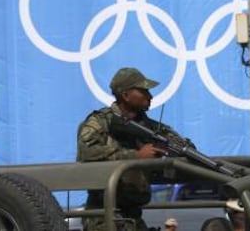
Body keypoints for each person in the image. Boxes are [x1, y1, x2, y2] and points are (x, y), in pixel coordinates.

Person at [77, 67, 191, 231]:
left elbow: (183, 145)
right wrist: (136, 155)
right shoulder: (100, 122)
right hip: (104, 215)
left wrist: (173, 150)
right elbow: (87, 154)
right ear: (125, 95)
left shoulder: (150, 127)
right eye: (143, 91)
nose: (150, 96)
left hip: (134, 216)